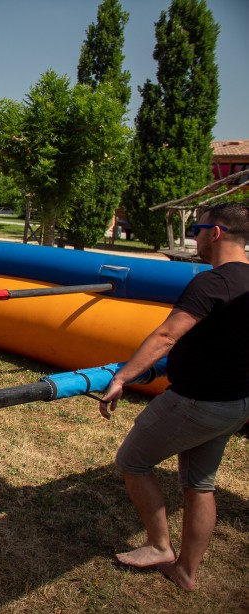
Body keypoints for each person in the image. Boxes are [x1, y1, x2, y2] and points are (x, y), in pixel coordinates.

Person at [97, 201, 249, 592]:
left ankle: (160, 547)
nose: (195, 236)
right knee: (200, 484)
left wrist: (122, 377)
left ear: (216, 233)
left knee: (132, 462)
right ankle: (186, 571)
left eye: (198, 229)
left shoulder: (213, 282)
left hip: (196, 402)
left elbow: (166, 335)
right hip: (234, 403)